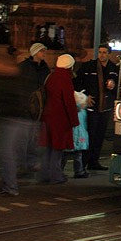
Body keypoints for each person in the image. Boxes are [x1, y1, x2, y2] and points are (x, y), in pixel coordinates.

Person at [0, 42, 51, 196]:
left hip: (22, 115)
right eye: (42, 51)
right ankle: (21, 176)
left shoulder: (39, 69)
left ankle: (11, 186)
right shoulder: (25, 68)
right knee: (17, 150)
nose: (44, 53)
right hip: (24, 114)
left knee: (9, 152)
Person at [75, 44, 119, 171]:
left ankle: (94, 161)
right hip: (92, 106)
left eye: (104, 52)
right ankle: (84, 162)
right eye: (100, 52)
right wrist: (85, 96)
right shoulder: (89, 67)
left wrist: (113, 86)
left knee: (100, 135)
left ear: (109, 54)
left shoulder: (113, 68)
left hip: (105, 107)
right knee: (91, 134)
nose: (102, 55)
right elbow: (78, 83)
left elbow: (117, 86)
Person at [39, 53, 79, 184]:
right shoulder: (65, 79)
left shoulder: (51, 76)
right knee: (57, 148)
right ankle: (56, 176)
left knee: (48, 148)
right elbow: (69, 102)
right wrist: (74, 120)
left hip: (47, 116)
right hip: (60, 119)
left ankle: (45, 174)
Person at [61, 91, 90, 179]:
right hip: (79, 136)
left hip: (74, 136)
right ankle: (79, 171)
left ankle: (59, 171)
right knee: (77, 155)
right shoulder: (83, 112)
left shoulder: (72, 110)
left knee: (65, 155)